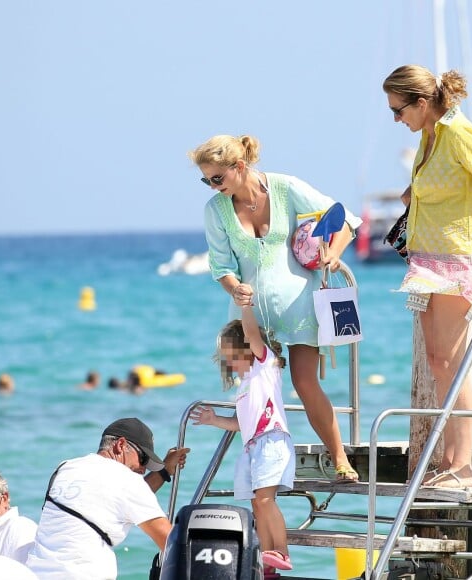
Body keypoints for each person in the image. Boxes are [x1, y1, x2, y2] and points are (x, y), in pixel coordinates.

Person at [189, 134, 363, 482]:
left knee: (304, 381)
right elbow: (221, 267)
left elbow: (343, 218)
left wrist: (333, 253)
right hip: (248, 315)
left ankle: (340, 458)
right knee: (253, 390)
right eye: (205, 180)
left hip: (299, 307)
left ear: (239, 167)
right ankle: (260, 473)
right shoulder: (215, 210)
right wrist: (235, 288)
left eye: (217, 178)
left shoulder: (285, 187)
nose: (212, 186)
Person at [382, 65, 472, 489]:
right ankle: (451, 460)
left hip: (455, 260)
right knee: (438, 362)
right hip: (425, 262)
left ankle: (463, 467)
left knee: (454, 364)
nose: (396, 120)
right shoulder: (429, 135)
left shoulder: (457, 133)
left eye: (398, 111)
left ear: (421, 103)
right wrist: (413, 192)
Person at [190, 294, 294, 575]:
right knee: (255, 503)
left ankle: (281, 550)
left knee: (264, 499)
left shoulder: (264, 366)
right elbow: (241, 423)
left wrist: (245, 307)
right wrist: (214, 420)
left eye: (233, 357)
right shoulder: (246, 384)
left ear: (247, 349)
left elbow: (250, 333)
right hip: (253, 445)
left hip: (271, 441)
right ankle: (269, 562)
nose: (231, 364)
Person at [26, 417, 190, 579]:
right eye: (143, 459)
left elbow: (121, 498)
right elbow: (171, 543)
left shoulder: (66, 468)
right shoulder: (127, 480)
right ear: (121, 445)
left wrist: (165, 471)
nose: (143, 470)